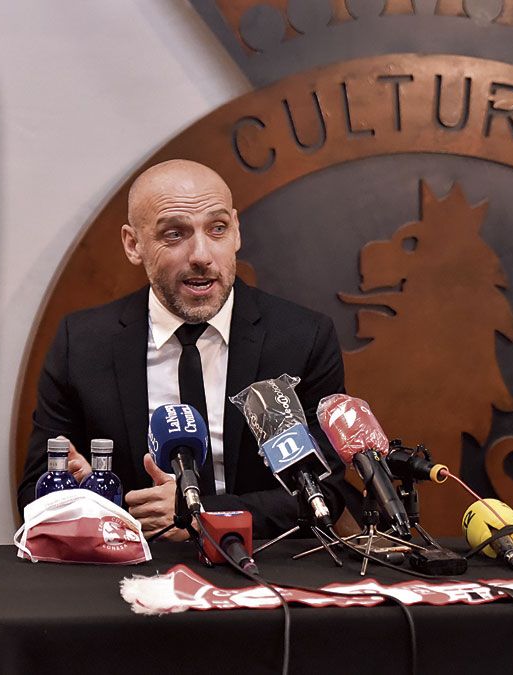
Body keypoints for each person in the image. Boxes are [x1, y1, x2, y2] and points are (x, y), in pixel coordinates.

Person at [18, 159, 353, 540]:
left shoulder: (300, 338)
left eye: (217, 229)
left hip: (264, 568)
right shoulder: (82, 343)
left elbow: (326, 492)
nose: (201, 255)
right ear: (133, 244)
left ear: (237, 232)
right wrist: (80, 497)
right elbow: (33, 495)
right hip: (133, 572)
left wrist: (202, 515)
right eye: (175, 234)